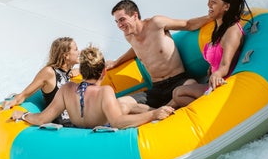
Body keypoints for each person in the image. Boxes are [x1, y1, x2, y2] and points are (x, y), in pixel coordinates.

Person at [9, 45, 175, 129]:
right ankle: (165, 109)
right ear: (104, 71)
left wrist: (24, 115)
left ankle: (161, 107)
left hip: (76, 129)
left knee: (126, 103)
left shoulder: (66, 89)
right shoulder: (105, 92)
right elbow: (118, 122)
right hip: (102, 131)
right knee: (126, 106)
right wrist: (153, 114)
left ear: (81, 71)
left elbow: (42, 119)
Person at [108, 0, 212, 113]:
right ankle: (157, 112)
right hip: (156, 89)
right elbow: (136, 50)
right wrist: (116, 62)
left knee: (190, 86)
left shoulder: (156, 23)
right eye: (117, 21)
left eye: (122, 19)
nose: (119, 25)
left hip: (178, 81)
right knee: (119, 104)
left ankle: (166, 108)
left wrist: (212, 16)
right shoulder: (129, 36)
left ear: (134, 15)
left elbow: (188, 24)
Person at [171, 0, 252, 107]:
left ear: (226, 6)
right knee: (177, 95)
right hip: (212, 82)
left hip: (223, 86)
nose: (208, 4)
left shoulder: (232, 32)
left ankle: (208, 110)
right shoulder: (219, 28)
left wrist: (217, 73)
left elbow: (225, 65)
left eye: (213, 2)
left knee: (178, 93)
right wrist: (212, 68)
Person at [2, 37, 79, 125]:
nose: (79, 52)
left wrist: (79, 71)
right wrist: (13, 101)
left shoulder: (69, 72)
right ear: (66, 55)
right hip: (65, 127)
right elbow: (23, 95)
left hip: (77, 123)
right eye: (76, 49)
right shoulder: (49, 73)